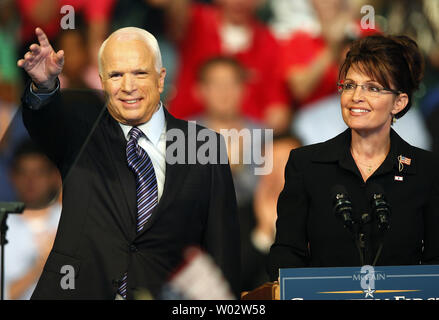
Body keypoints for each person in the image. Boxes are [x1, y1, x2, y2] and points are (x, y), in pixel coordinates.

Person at [17, 26, 240, 299]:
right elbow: (44, 120)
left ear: (160, 79)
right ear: (101, 81)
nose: (128, 86)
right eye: (116, 75)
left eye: (139, 73)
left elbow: (222, 246)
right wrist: (44, 86)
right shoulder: (80, 131)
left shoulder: (204, 145)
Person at [268, 35, 439, 280]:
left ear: (399, 103)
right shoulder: (306, 164)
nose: (356, 96)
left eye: (372, 88)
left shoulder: (428, 170)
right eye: (349, 85)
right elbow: (286, 254)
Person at [5, 140, 61, 300]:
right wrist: (40, 267)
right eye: (23, 172)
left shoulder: (73, 220)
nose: (30, 181)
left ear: (54, 176)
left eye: (39, 172)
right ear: (12, 176)